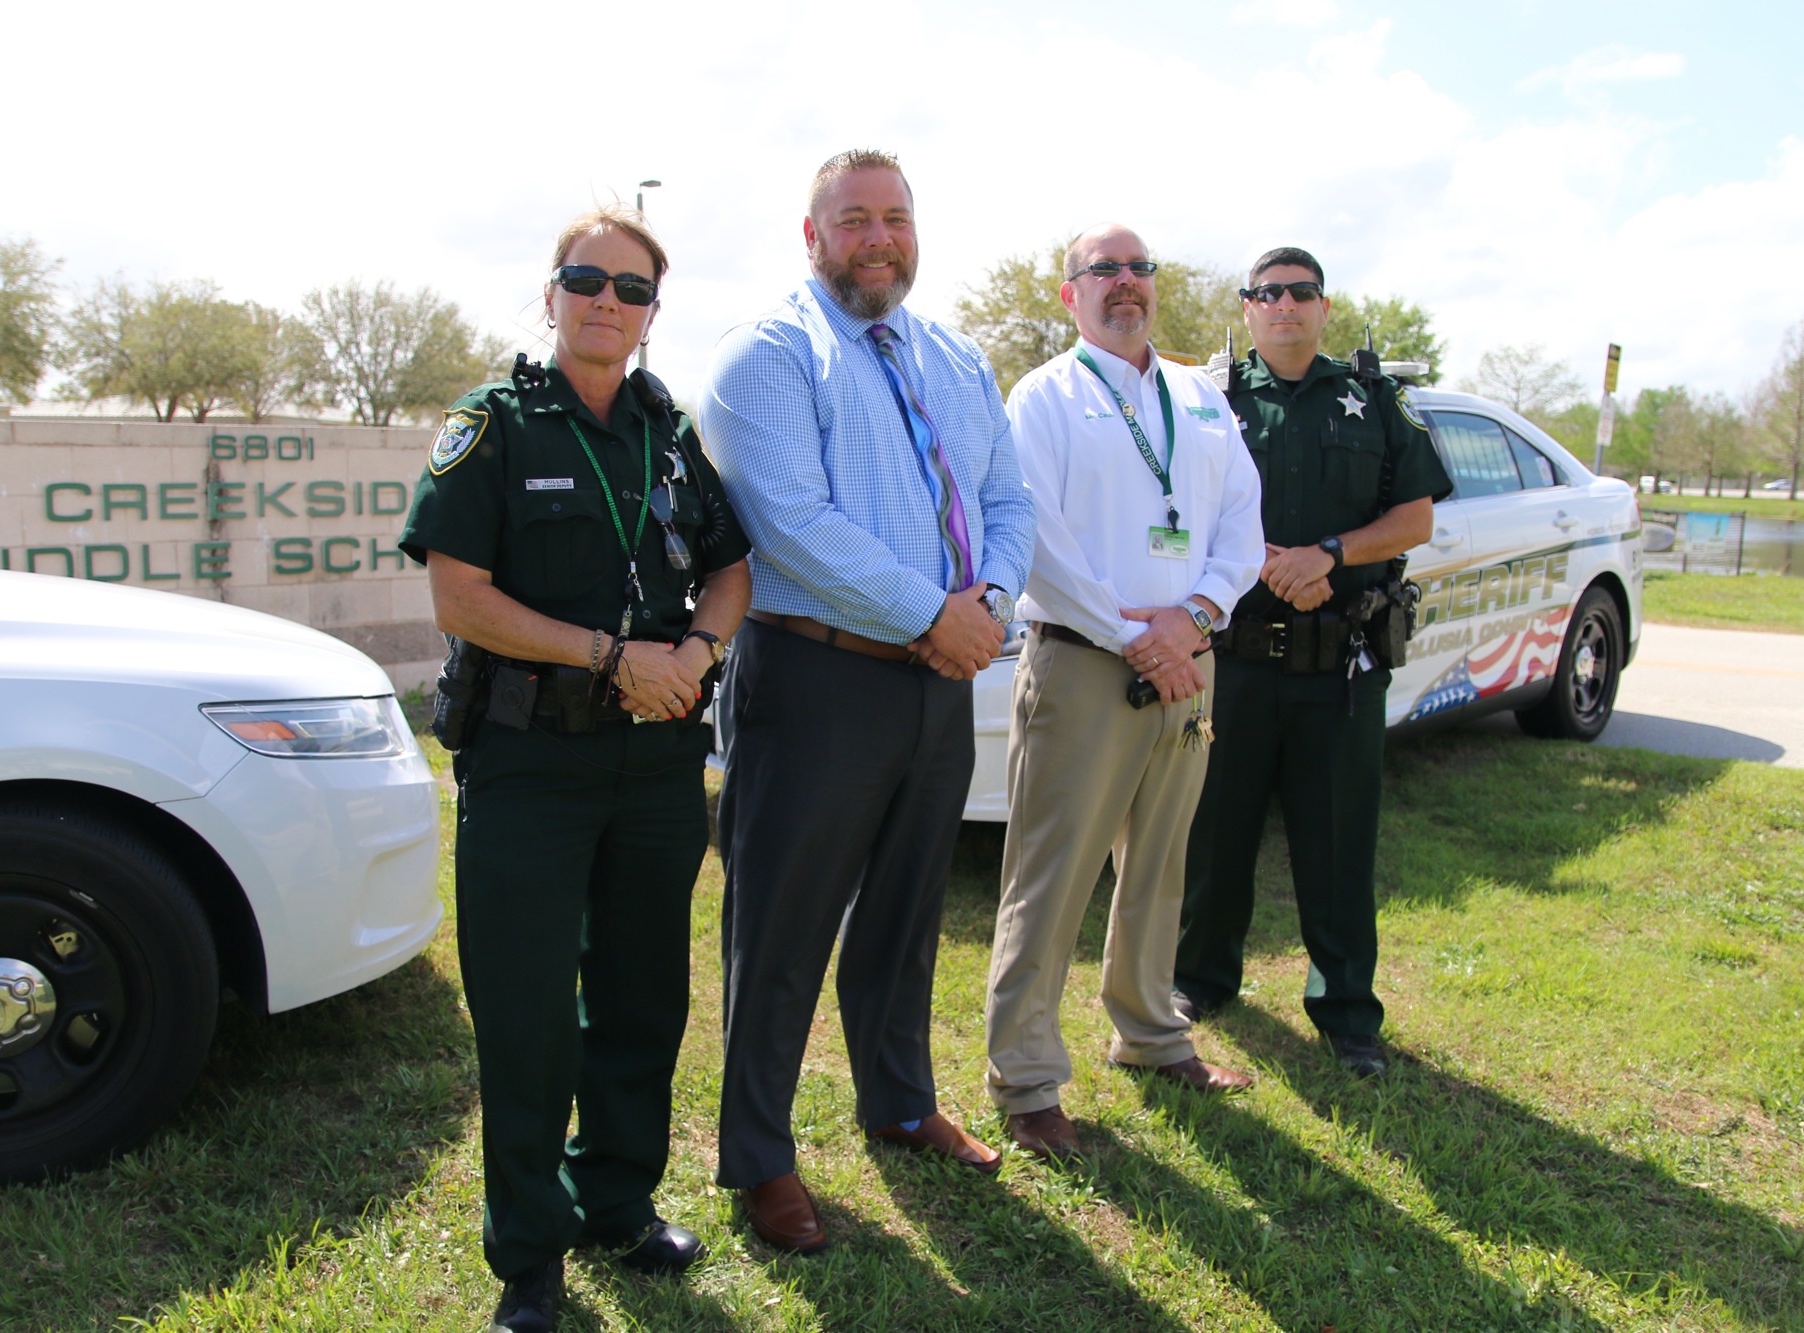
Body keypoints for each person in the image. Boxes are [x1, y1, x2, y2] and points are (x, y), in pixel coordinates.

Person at [398, 204, 751, 1333]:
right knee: (529, 1013)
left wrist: (692, 652)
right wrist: (611, 654)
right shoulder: (492, 425)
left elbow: (732, 570)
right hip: (529, 764)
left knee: (644, 996)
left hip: (654, 765)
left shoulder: (669, 430)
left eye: (632, 288)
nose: (608, 300)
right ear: (549, 295)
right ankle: (529, 1256)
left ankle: (617, 1205)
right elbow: (459, 596)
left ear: (652, 316)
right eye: (586, 279)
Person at [700, 148, 1034, 1253]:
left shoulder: (957, 356)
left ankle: (895, 1099)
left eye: (894, 217)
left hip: (937, 682)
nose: (878, 238)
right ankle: (756, 1155)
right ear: (811, 237)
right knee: (781, 927)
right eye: (853, 221)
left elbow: (1004, 496)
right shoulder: (770, 357)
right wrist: (935, 616)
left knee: (903, 912)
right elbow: (791, 521)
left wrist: (981, 601)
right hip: (818, 677)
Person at [983, 224, 1266, 1161]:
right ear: (1070, 293)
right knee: (1050, 874)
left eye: (1139, 268)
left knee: (1160, 861)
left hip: (1188, 657)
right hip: (1087, 661)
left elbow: (1240, 520)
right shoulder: (1045, 398)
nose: (1125, 284)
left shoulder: (1201, 397)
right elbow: (1036, 534)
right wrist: (1135, 636)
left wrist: (1197, 616)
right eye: (1102, 270)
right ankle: (1025, 1079)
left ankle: (1149, 1031)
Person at [1174, 246, 1451, 1080]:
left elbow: (1415, 518)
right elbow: (1180, 507)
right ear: (1248, 308)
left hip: (1343, 667)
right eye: (1268, 293)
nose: (1284, 305)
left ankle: (1346, 1013)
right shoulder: (1207, 403)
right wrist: (1263, 561)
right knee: (1214, 834)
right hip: (1238, 659)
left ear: (1324, 307)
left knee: (1337, 842)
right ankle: (1200, 981)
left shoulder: (1374, 401)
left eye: (1300, 292)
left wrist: (1328, 553)